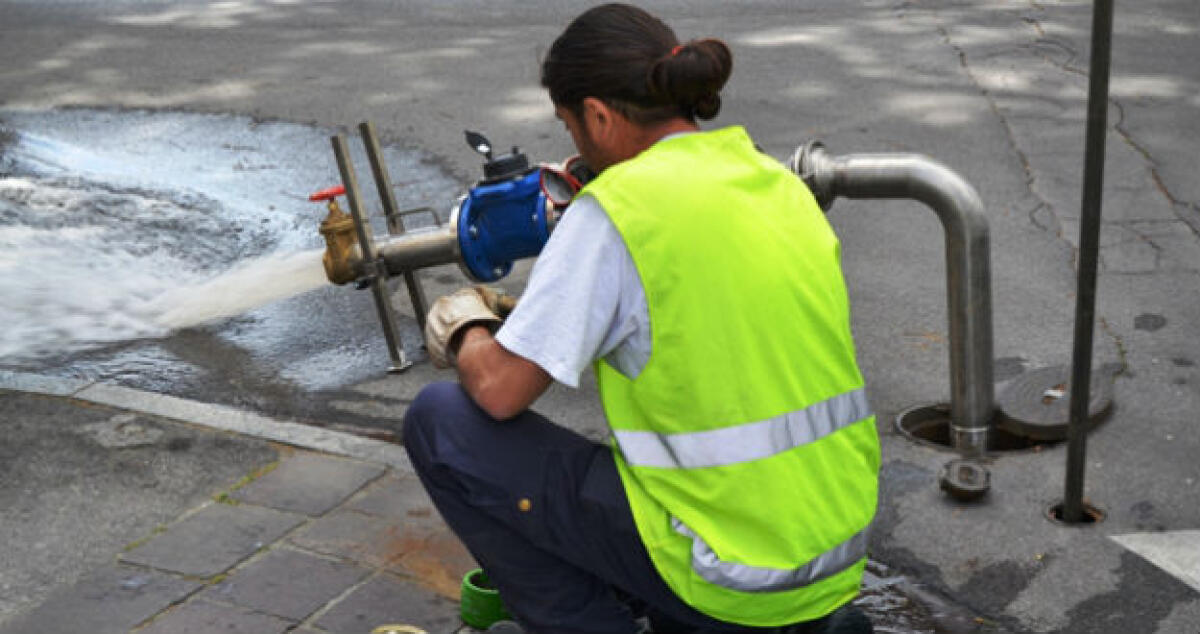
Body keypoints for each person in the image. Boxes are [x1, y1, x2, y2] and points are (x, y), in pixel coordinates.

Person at [402, 4, 880, 633]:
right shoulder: (775, 182)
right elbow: (711, 318)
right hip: (833, 549)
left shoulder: (618, 212)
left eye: (571, 125)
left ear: (598, 115)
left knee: (442, 423)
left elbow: (498, 390)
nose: (574, 144)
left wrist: (465, 325)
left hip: (731, 575)